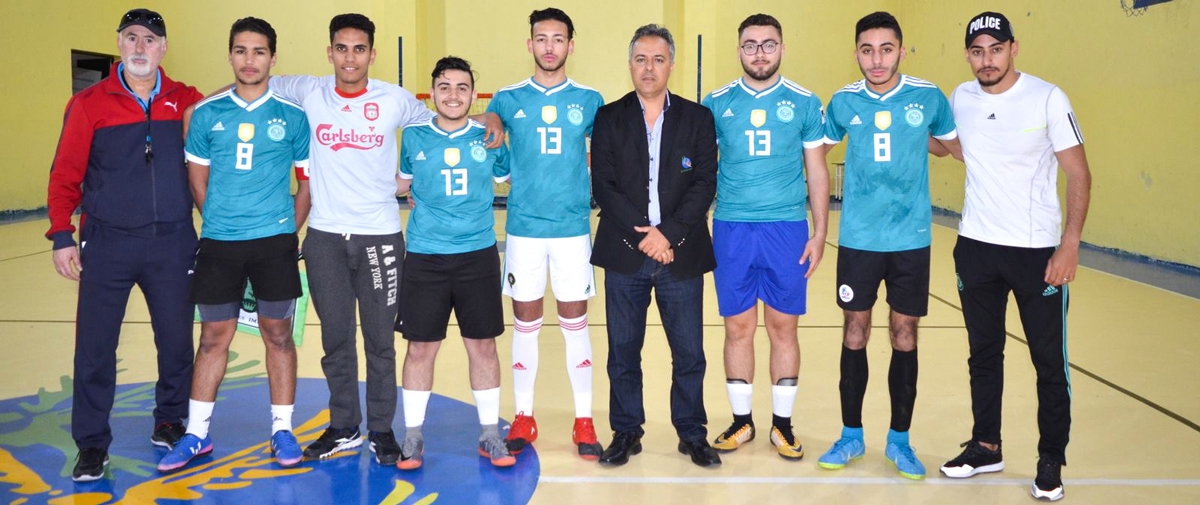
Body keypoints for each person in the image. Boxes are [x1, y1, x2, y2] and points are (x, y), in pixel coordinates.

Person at [267, 13, 503, 466]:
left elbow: (449, 117)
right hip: (324, 236)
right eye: (341, 47)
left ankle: (381, 430)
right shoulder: (307, 90)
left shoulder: (395, 101)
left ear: (372, 54)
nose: (350, 57)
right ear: (330, 51)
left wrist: (489, 113)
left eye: (359, 49)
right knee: (335, 338)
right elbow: (252, 83)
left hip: (380, 235)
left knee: (380, 341)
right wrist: (199, 103)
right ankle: (342, 428)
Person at [936, 12, 1091, 502]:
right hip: (977, 248)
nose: (987, 59)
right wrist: (904, 116)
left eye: (996, 49)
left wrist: (1069, 245)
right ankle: (986, 445)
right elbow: (948, 148)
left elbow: (1080, 174)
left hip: (1037, 253)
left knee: (1049, 361)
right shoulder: (961, 97)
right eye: (978, 51)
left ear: (1013, 48)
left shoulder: (1048, 97)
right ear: (968, 54)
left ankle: (1051, 458)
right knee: (983, 354)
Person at [46, 8, 202, 482]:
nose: (140, 47)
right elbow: (65, 172)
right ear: (119, 44)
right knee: (95, 348)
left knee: (176, 342)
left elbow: (237, 107)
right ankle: (92, 444)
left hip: (174, 241)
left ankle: (170, 420)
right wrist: (60, 235)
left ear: (163, 48)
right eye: (131, 38)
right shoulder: (90, 104)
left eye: (150, 39)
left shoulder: (187, 101)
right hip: (108, 242)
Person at [156, 17, 310, 473]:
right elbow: (197, 183)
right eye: (241, 51)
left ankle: (281, 429)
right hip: (220, 245)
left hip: (275, 245)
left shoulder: (292, 115)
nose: (249, 60)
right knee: (212, 338)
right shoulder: (206, 113)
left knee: (278, 336)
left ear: (273, 58)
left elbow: (306, 186)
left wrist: (287, 232)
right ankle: (196, 434)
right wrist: (224, 222)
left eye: (259, 51)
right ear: (230, 55)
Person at [815, 12, 957, 480]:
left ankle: (900, 441)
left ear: (901, 49)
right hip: (858, 238)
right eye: (867, 50)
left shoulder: (928, 96)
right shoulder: (842, 102)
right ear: (856, 51)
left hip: (911, 239)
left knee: (904, 333)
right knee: (854, 332)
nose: (877, 60)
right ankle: (851, 435)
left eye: (886, 49)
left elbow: (954, 145)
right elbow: (817, 151)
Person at [700, 13, 829, 460]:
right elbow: (702, 170)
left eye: (768, 44)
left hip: (786, 230)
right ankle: (741, 423)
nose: (759, 53)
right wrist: (699, 225)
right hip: (732, 227)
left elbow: (816, 170)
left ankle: (783, 426)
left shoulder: (806, 102)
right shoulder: (715, 103)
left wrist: (819, 232)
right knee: (737, 327)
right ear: (738, 50)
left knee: (782, 327)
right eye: (751, 45)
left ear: (782, 49)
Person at [591, 24, 720, 468]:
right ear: (630, 64)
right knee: (623, 352)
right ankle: (626, 431)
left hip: (680, 253)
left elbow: (704, 183)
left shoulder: (698, 118)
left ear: (671, 65)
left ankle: (692, 433)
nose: (649, 67)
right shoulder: (608, 117)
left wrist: (670, 234)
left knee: (689, 353)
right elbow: (604, 186)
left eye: (658, 59)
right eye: (641, 59)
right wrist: (646, 237)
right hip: (625, 252)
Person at [486, 7, 605, 459]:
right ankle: (524, 416)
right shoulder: (506, 98)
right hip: (524, 229)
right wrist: (490, 121)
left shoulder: (591, 99)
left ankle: (584, 420)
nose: (549, 46)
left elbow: (611, 153)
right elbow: (483, 130)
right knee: (526, 325)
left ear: (571, 46)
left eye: (558, 39)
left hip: (573, 228)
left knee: (576, 324)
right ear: (530, 44)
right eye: (542, 38)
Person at [392, 56, 514, 470]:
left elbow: (516, 177)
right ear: (432, 92)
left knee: (482, 345)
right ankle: (411, 437)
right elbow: (400, 184)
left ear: (473, 94)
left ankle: (489, 435)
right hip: (425, 256)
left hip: (477, 254)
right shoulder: (413, 137)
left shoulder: (489, 136)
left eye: (463, 87)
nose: (453, 95)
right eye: (444, 86)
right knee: (420, 347)